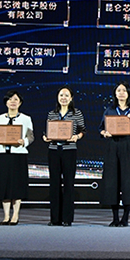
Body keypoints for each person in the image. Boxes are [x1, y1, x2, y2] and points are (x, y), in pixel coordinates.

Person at [99, 82, 130, 227]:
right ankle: (115, 218)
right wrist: (105, 133)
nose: (121, 93)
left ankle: (125, 218)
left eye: (124, 90)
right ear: (115, 93)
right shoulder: (110, 110)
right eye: (119, 90)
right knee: (112, 181)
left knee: (128, 181)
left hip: (127, 146)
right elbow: (101, 129)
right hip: (112, 146)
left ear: (129, 93)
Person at [42, 86, 85, 227]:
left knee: (68, 184)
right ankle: (55, 218)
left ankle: (67, 218)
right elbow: (47, 131)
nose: (63, 98)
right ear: (57, 97)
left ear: (71, 98)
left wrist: (77, 137)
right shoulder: (51, 114)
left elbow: (82, 130)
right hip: (53, 150)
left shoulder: (77, 113)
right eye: (61, 95)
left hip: (69, 150)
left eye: (66, 95)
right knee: (54, 184)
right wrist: (45, 137)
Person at [0, 90, 34, 225]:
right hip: (2, 154)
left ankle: (15, 215)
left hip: (19, 154)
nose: (13, 102)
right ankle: (6, 216)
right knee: (3, 184)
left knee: (17, 185)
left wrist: (24, 142)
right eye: (10, 99)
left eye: (16, 99)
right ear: (6, 102)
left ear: (20, 102)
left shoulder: (26, 118)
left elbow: (30, 136)